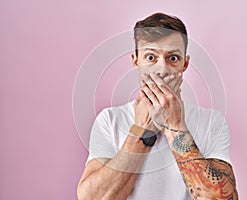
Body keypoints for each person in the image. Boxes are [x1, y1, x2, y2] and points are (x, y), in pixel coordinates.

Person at [77, 13, 238, 200]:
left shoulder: (212, 122)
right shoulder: (110, 120)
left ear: (185, 64)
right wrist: (143, 130)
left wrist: (175, 125)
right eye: (151, 57)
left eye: (173, 58)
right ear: (136, 60)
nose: (162, 69)